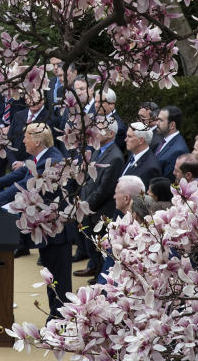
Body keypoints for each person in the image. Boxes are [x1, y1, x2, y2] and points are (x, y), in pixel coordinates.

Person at [0, 124, 71, 321]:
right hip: (47, 229)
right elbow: (22, 174)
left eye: (26, 137)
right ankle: (56, 319)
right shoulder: (44, 155)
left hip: (56, 231)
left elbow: (25, 186)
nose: (23, 141)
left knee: (59, 281)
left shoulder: (52, 160)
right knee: (52, 277)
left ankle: (61, 322)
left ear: (37, 141)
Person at [74, 117, 125, 280]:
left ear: (111, 134)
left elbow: (104, 189)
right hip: (88, 205)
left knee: (99, 247)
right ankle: (95, 270)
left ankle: (99, 276)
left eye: (100, 128)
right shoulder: (98, 150)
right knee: (92, 246)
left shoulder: (115, 157)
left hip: (99, 210)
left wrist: (86, 206)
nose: (96, 131)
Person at [93, 176, 146, 284]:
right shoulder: (151, 227)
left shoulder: (121, 234)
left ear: (126, 198)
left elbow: (106, 279)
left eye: (116, 193)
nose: (114, 196)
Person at [155, 105, 189, 182]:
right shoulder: (165, 141)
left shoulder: (178, 151)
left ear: (172, 125)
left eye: (160, 120)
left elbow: (167, 181)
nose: (157, 123)